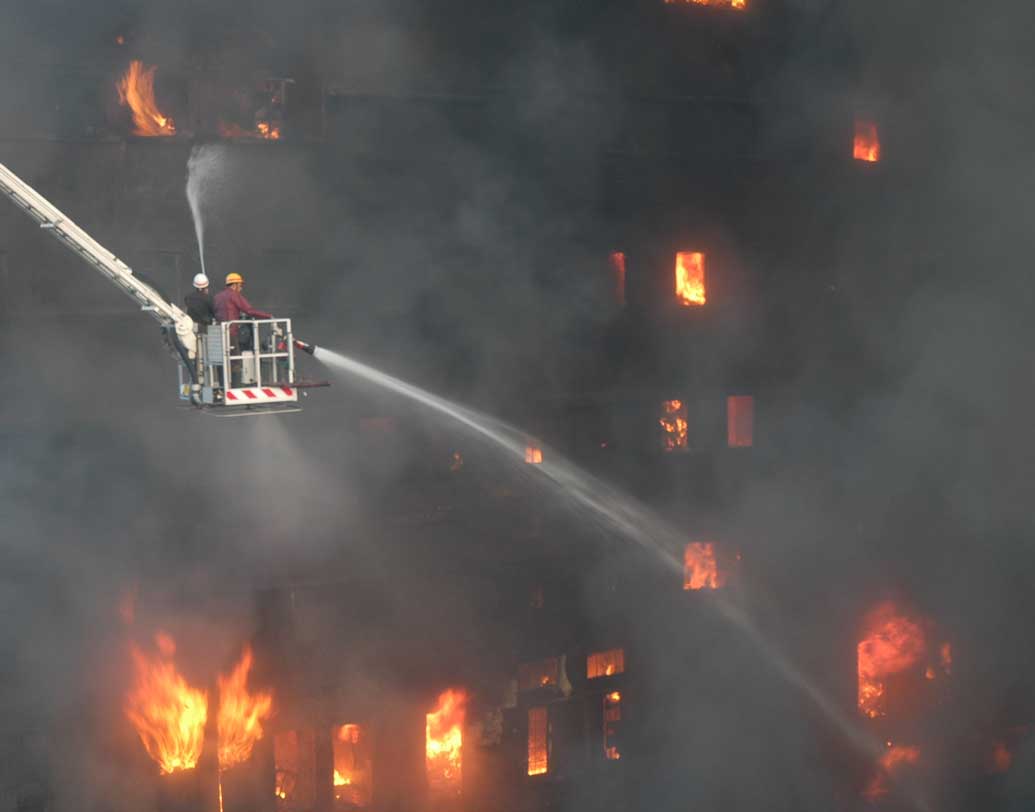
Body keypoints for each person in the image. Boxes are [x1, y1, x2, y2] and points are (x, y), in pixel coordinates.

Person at [213, 272, 273, 386]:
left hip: (218, 334)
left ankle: (222, 385)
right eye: (240, 285)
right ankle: (235, 386)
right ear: (234, 285)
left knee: (221, 361)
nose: (241, 288)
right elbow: (249, 310)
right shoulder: (234, 295)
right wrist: (268, 316)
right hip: (230, 333)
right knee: (235, 360)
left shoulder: (217, 297)